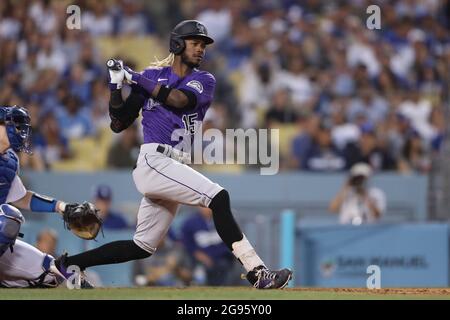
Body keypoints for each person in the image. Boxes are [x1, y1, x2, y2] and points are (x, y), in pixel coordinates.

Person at [56, 20, 292, 289]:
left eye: (203, 45)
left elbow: (178, 99)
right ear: (178, 44)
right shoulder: (151, 77)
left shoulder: (204, 79)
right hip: (155, 161)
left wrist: (133, 77)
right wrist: (114, 87)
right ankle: (257, 272)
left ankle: (68, 264)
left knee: (142, 246)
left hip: (172, 165)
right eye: (195, 43)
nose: (201, 49)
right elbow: (118, 123)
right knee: (218, 197)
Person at [0, 105, 94, 288]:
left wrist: (61, 206)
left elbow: (22, 197)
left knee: (50, 272)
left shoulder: (9, 161)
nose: (21, 131)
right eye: (15, 125)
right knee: (8, 219)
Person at [181, 207, 241, 286]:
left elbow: (232, 242)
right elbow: (188, 244)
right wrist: (199, 255)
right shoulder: (190, 223)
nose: (207, 209)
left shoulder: (224, 221)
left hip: (222, 259)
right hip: (200, 261)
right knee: (200, 272)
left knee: (226, 268)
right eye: (204, 206)